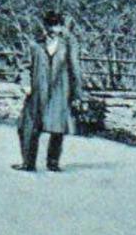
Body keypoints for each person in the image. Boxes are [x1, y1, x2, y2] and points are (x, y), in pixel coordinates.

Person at [14, 11, 84, 173]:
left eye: (57, 25)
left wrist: (77, 93)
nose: (53, 29)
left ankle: (53, 162)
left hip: (60, 89)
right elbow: (24, 66)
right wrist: (26, 83)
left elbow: (75, 68)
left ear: (61, 26)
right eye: (50, 25)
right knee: (27, 125)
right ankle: (28, 162)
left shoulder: (69, 44)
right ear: (45, 26)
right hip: (38, 89)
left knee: (57, 126)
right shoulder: (35, 44)